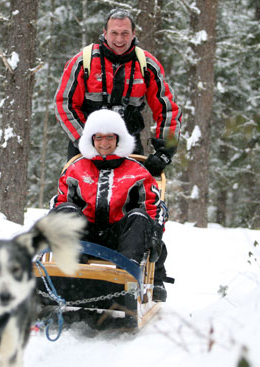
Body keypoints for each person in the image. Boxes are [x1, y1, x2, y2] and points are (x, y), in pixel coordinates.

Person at [50, 109, 169, 301]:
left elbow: (152, 209)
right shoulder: (76, 169)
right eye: (98, 138)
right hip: (84, 238)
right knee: (65, 212)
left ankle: (126, 278)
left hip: (122, 239)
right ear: (91, 139)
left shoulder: (137, 172)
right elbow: (62, 202)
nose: (104, 144)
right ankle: (70, 275)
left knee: (139, 217)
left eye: (109, 138)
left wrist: (155, 235)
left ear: (119, 139)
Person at [54, 8, 181, 177]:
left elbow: (167, 109)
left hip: (129, 146)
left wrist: (164, 152)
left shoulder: (147, 65)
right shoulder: (83, 61)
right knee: (79, 198)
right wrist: (86, 140)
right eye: (114, 33)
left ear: (134, 33)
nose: (119, 39)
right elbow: (64, 104)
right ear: (105, 33)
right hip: (85, 148)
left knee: (133, 198)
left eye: (124, 33)